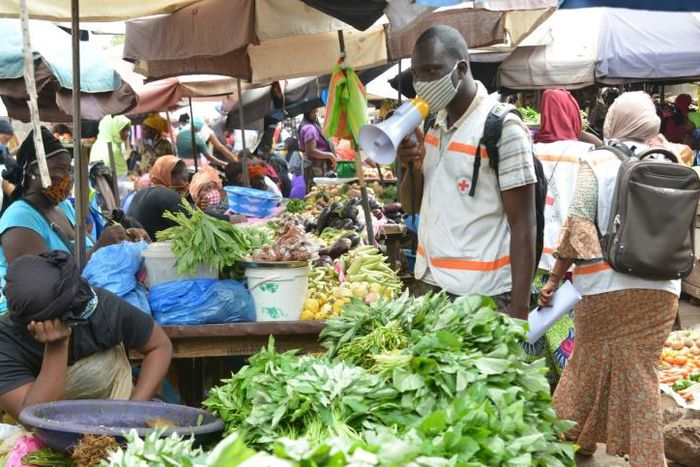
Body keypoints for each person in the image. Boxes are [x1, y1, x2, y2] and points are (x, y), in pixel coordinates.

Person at [539, 91, 679, 466]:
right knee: (642, 373)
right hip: (662, 290)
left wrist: (555, 278)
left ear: (613, 121)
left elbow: (578, 222)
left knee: (586, 363)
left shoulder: (598, 161)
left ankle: (561, 440)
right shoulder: (673, 159)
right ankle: (646, 457)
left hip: (603, 288)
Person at [398, 26, 537, 319]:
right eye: (416, 74)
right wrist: (411, 166)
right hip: (430, 286)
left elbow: (524, 224)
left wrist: (519, 310)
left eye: (432, 70)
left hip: (482, 297)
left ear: (461, 68)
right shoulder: (432, 124)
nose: (423, 82)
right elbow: (411, 206)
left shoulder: (502, 128)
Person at [0, 251, 172, 421]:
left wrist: (133, 411)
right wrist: (57, 345)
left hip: (118, 408)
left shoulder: (97, 306)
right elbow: (33, 417)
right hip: (48, 432)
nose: (81, 311)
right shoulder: (6, 341)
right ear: (32, 324)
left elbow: (159, 346)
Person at [0, 128, 144, 311]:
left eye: (68, 170)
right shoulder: (19, 219)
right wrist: (100, 246)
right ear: (31, 171)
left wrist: (123, 239)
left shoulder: (63, 207)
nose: (66, 178)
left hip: (80, 300)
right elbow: (45, 286)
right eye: (59, 169)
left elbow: (85, 248)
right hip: (40, 316)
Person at [527, 89, 596, 378]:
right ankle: (571, 391)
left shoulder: (529, 150)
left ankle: (539, 389)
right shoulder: (586, 154)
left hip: (532, 255)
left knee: (538, 325)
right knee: (565, 330)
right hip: (568, 258)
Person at [127, 155, 189, 240]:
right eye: (184, 179)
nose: (186, 183)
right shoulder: (168, 195)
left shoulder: (140, 193)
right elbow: (189, 229)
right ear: (170, 177)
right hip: (154, 250)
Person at [91, 115, 132, 197]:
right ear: (113, 130)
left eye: (128, 130)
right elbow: (108, 184)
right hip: (113, 199)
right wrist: (132, 185)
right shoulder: (111, 150)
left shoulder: (98, 144)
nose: (127, 133)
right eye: (123, 130)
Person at [299, 108, 337, 185]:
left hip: (313, 166)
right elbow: (311, 151)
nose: (316, 115)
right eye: (314, 112)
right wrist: (330, 155)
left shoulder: (306, 125)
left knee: (315, 192)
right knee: (317, 192)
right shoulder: (310, 128)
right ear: (308, 112)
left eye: (316, 112)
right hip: (315, 167)